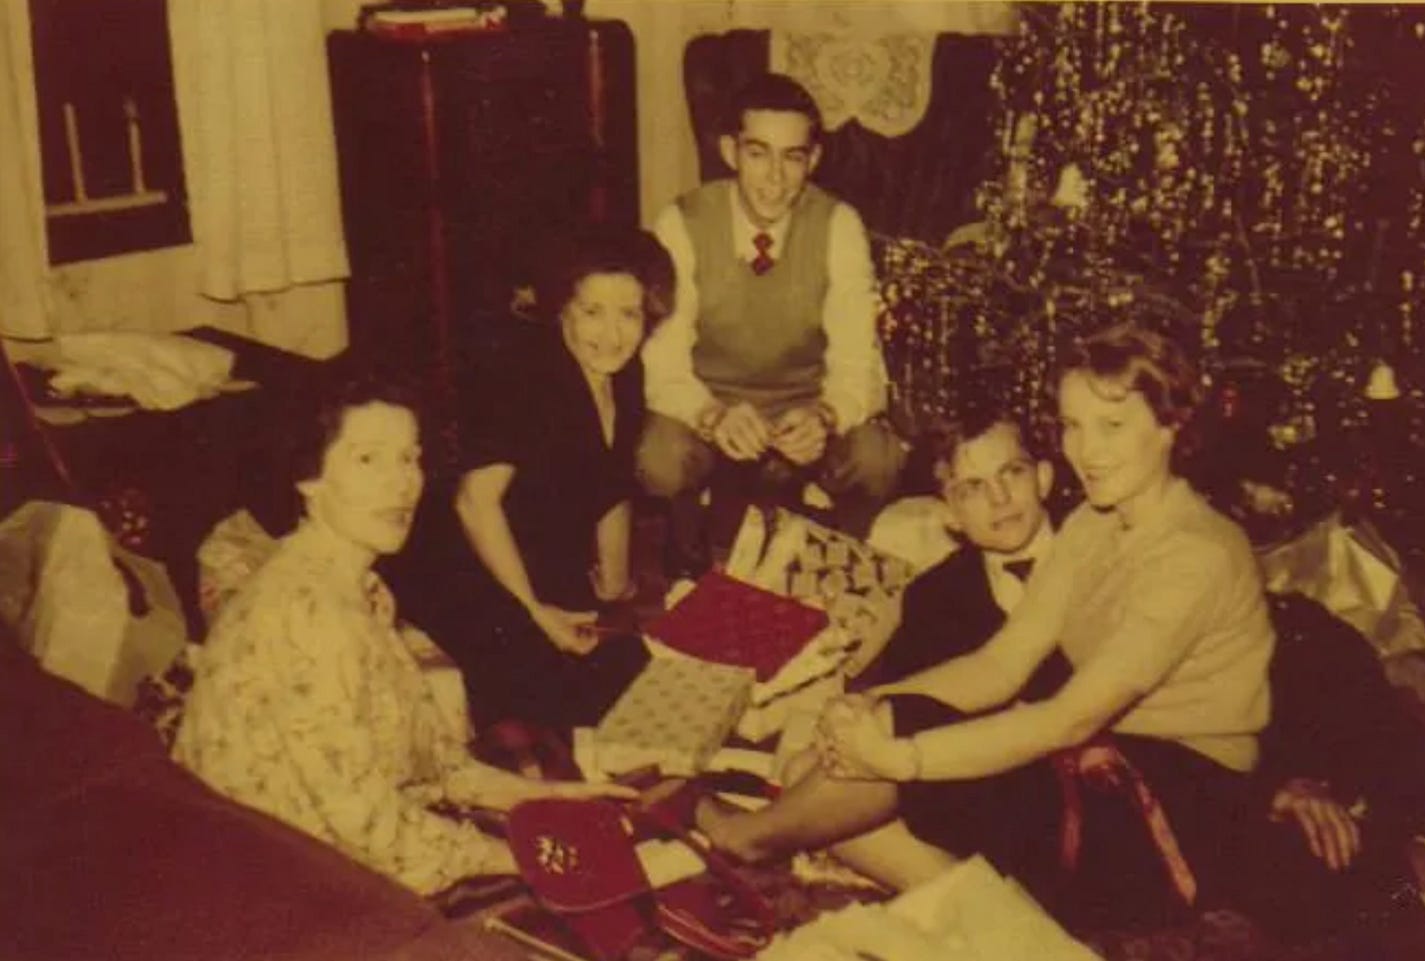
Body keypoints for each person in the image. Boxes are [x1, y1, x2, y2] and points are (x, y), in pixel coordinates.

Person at [699, 323, 1350, 929]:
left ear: (1169, 425)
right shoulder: (1095, 522)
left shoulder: (1197, 553)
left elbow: (1066, 719)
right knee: (835, 788)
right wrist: (870, 705)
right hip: (1101, 759)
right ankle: (1010, 925)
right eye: (1072, 425)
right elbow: (1001, 663)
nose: (1086, 451)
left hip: (1175, 808)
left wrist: (901, 756)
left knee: (873, 772)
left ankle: (745, 837)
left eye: (1111, 425)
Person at [172, 374, 633, 897]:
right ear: (309, 478)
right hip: (265, 883)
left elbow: (434, 761)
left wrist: (544, 797)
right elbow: (372, 831)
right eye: (369, 459)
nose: (401, 483)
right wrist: (533, 860)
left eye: (409, 458)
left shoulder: (358, 586)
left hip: (329, 844)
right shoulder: (309, 615)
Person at [387, 227, 673, 734]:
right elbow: (474, 502)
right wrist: (533, 612)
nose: (612, 334)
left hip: (536, 546)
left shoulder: (626, 375)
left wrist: (615, 586)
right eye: (592, 311)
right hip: (455, 549)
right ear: (562, 308)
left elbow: (611, 481)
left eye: (628, 314)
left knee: (618, 654)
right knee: (551, 691)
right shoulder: (521, 375)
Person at [637, 72, 903, 565]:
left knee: (878, 459)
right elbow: (663, 362)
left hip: (804, 410)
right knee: (659, 458)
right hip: (713, 409)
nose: (775, 178)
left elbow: (859, 362)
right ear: (730, 151)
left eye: (793, 157)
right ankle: (687, 541)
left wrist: (825, 416)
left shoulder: (839, 224)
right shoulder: (682, 222)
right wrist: (711, 416)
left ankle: (842, 553)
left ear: (814, 159)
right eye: (758, 153)